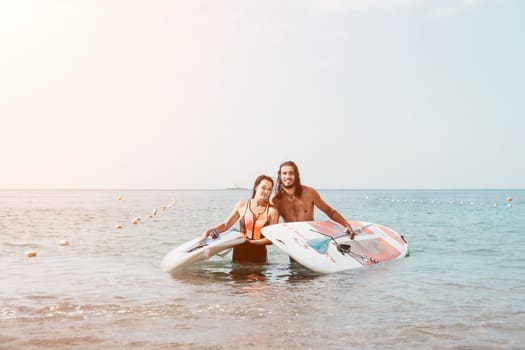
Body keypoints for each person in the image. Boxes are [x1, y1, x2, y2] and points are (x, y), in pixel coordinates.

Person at [200, 175, 279, 263]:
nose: (266, 192)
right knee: (237, 276)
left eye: (269, 189)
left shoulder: (272, 211)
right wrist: (208, 231)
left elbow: (271, 239)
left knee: (257, 276)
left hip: (259, 257)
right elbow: (226, 225)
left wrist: (250, 242)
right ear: (256, 187)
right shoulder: (242, 205)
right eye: (263, 188)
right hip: (239, 253)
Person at [271, 160, 356, 239]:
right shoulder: (276, 200)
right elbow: (272, 224)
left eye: (291, 173)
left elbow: (329, 211)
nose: (287, 176)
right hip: (294, 241)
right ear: (280, 176)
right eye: (284, 173)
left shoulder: (309, 193)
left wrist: (346, 225)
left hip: (310, 238)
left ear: (296, 175)